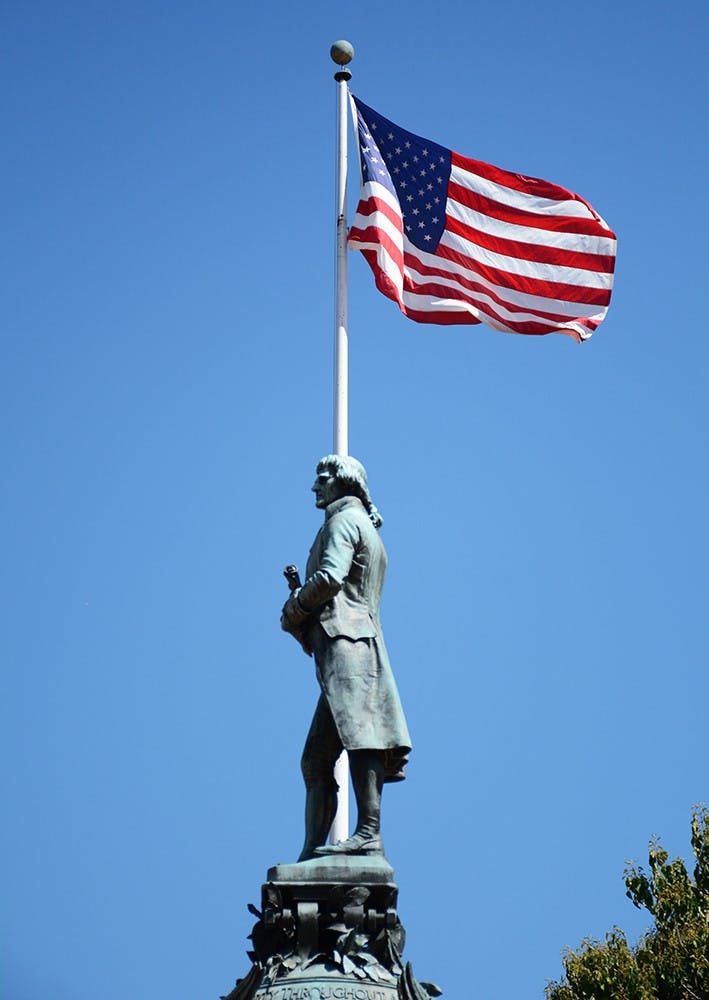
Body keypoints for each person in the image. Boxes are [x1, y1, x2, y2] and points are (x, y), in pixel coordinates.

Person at [281, 455, 411, 860]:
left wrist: (295, 609)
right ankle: (311, 852)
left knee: (360, 736)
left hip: (347, 644)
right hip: (353, 643)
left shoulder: (342, 522)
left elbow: (330, 578)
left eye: (322, 478)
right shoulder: (363, 526)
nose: (314, 486)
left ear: (343, 483)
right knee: (317, 756)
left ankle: (368, 832)